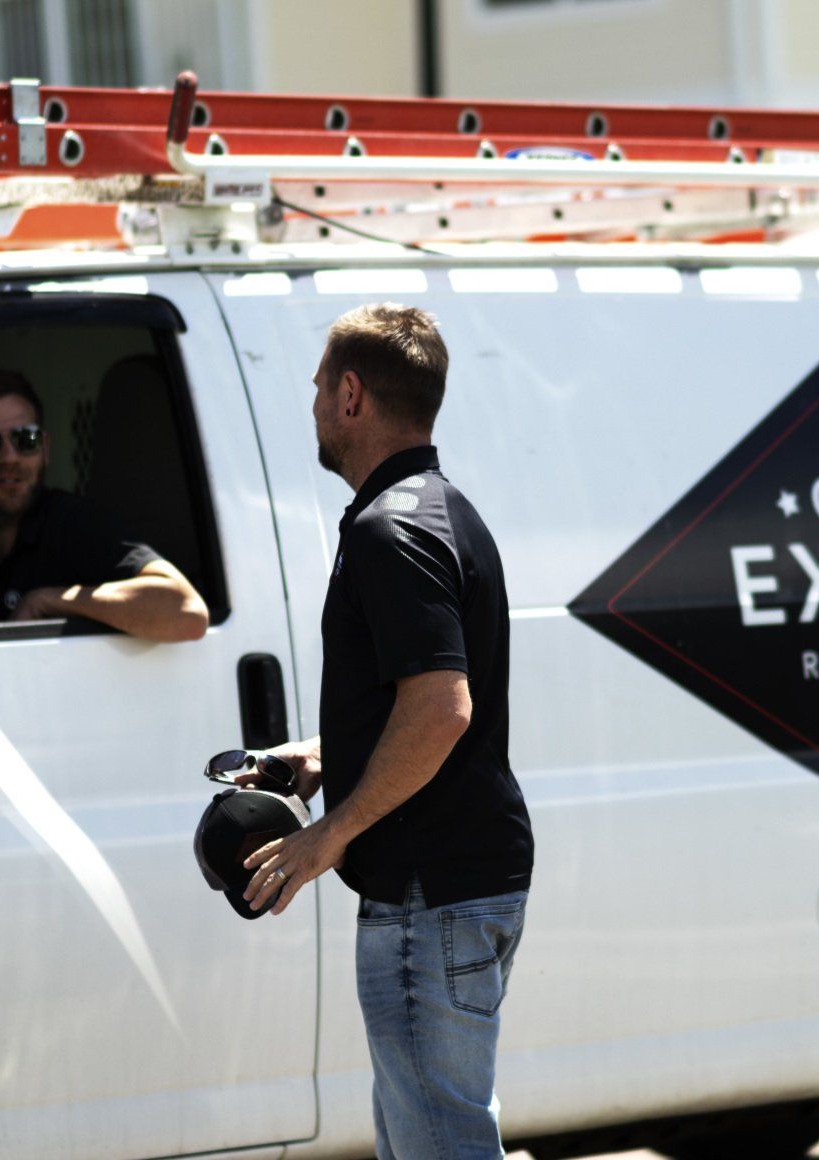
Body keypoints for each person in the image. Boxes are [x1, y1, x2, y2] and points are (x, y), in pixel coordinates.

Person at [240, 304, 534, 1159]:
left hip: (425, 893)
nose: (315, 406)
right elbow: (427, 701)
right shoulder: (441, 510)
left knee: (438, 1145)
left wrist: (329, 834)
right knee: (427, 1138)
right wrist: (328, 757)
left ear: (354, 393)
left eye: (320, 387)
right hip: (461, 881)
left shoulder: (389, 529)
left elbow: (443, 710)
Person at [0, 368, 209, 642]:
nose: (10, 457)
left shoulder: (72, 524)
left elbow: (185, 611)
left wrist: (47, 600)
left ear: (45, 449)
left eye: (26, 439)